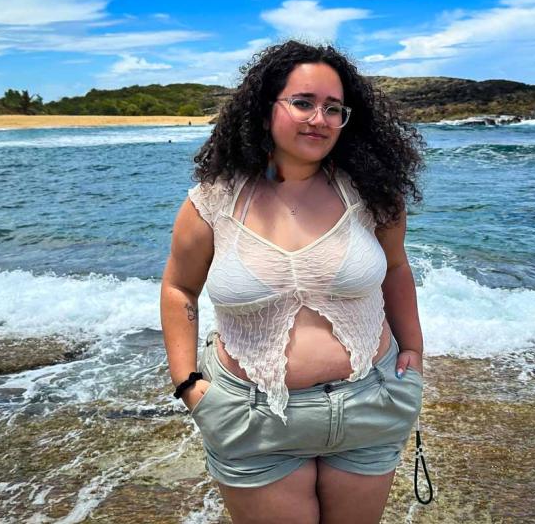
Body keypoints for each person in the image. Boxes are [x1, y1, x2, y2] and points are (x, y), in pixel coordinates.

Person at [160, 40, 426, 523]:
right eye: (303, 102)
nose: (319, 118)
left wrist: (414, 351)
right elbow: (179, 289)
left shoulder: (373, 196)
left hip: (370, 402)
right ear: (266, 110)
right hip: (251, 419)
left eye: (333, 108)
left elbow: (396, 268)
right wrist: (188, 383)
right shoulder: (212, 202)